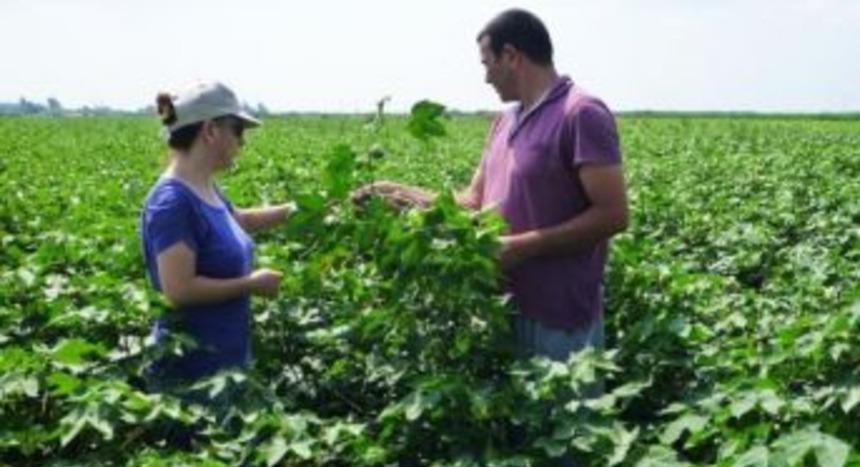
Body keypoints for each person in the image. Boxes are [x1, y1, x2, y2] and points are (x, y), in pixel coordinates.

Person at [354, 9, 629, 362]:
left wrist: (519, 248)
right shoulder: (505, 120)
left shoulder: (580, 113)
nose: (485, 77)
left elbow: (613, 215)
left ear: (511, 56)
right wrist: (401, 193)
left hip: (560, 316)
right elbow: (474, 201)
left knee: (563, 397)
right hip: (501, 306)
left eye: (487, 64)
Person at [140, 81, 291, 385]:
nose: (241, 142)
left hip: (223, 365)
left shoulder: (203, 185)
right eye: (237, 131)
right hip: (191, 377)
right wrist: (251, 284)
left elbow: (238, 221)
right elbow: (179, 290)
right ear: (210, 131)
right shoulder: (173, 202)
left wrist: (299, 209)